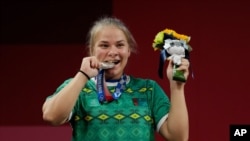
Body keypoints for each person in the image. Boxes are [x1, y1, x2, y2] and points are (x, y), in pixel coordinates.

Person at [42, 16, 190, 141]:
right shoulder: (79, 87)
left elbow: (178, 137)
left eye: (120, 45)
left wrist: (177, 87)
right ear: (92, 50)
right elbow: (51, 116)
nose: (113, 52)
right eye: (104, 45)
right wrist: (82, 75)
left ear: (128, 51)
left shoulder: (148, 90)